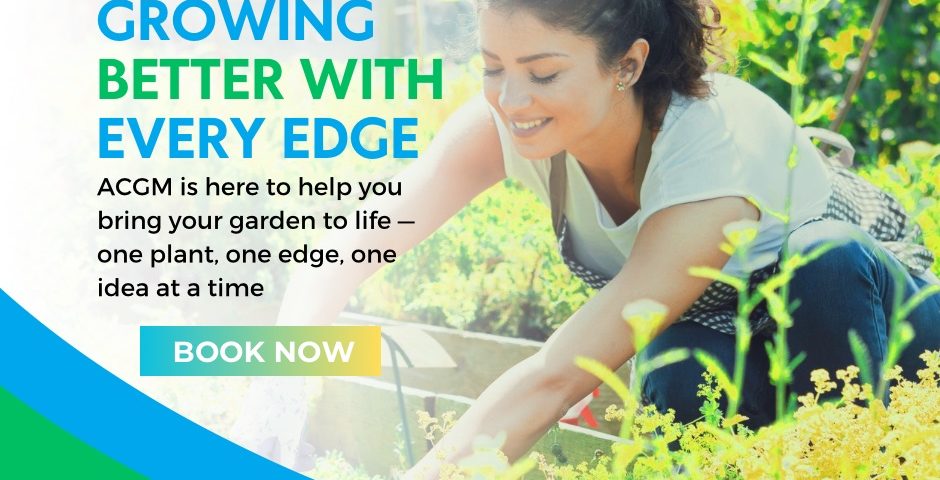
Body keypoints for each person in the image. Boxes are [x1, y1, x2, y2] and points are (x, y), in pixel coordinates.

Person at [234, 0, 940, 477]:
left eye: (543, 73)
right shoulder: (509, 123)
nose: (511, 99)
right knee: (675, 384)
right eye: (493, 67)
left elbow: (556, 375)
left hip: (884, 326)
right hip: (733, 339)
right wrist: (277, 392)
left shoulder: (712, 152)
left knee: (822, 263)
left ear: (627, 64)